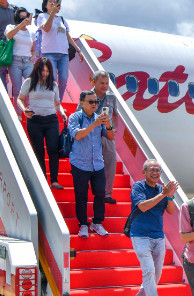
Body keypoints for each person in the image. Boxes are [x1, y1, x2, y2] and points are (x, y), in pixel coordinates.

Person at [129, 159, 178, 296]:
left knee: (156, 274)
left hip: (158, 236)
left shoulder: (161, 189)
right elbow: (142, 206)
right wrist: (163, 194)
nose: (156, 173)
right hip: (140, 235)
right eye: (152, 170)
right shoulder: (139, 186)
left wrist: (169, 197)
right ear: (144, 172)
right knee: (149, 271)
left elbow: (170, 211)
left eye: (158, 170)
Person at [68, 89, 114, 238]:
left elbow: (111, 137)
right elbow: (77, 135)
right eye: (91, 101)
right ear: (82, 103)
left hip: (97, 163)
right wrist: (94, 124)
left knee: (100, 193)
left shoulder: (99, 118)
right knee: (81, 195)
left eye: (96, 102)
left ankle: (97, 222)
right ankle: (83, 224)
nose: (94, 104)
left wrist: (108, 125)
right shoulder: (75, 117)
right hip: (80, 163)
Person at [17, 58, 66, 189]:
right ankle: (43, 181)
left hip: (51, 120)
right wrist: (24, 110)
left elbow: (57, 104)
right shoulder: (29, 82)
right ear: (37, 70)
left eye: (47, 71)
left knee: (53, 150)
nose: (44, 73)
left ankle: (54, 181)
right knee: (39, 152)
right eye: (42, 70)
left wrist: (62, 113)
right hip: (34, 120)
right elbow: (20, 99)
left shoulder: (53, 85)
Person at [76, 71, 120, 204]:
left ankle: (107, 194)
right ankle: (89, 191)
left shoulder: (111, 97)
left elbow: (115, 114)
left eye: (107, 83)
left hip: (107, 134)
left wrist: (114, 128)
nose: (105, 86)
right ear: (94, 82)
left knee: (110, 161)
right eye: (102, 83)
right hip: (91, 135)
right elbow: (78, 114)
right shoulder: (86, 96)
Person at [36, 0, 82, 101]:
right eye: (51, 2)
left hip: (63, 53)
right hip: (49, 52)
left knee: (63, 80)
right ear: (45, 4)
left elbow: (68, 36)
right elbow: (46, 29)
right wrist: (52, 13)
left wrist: (77, 49)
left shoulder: (61, 19)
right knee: (52, 79)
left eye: (55, 2)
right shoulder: (42, 16)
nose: (53, 3)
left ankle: (58, 103)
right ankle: (50, 102)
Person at [5, 7, 35, 118]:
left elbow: (33, 48)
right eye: (22, 17)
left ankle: (28, 109)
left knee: (31, 86)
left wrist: (33, 56)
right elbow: (8, 35)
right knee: (17, 88)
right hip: (15, 60)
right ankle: (17, 113)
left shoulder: (31, 32)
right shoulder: (11, 27)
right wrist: (20, 25)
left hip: (27, 61)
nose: (24, 19)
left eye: (26, 17)